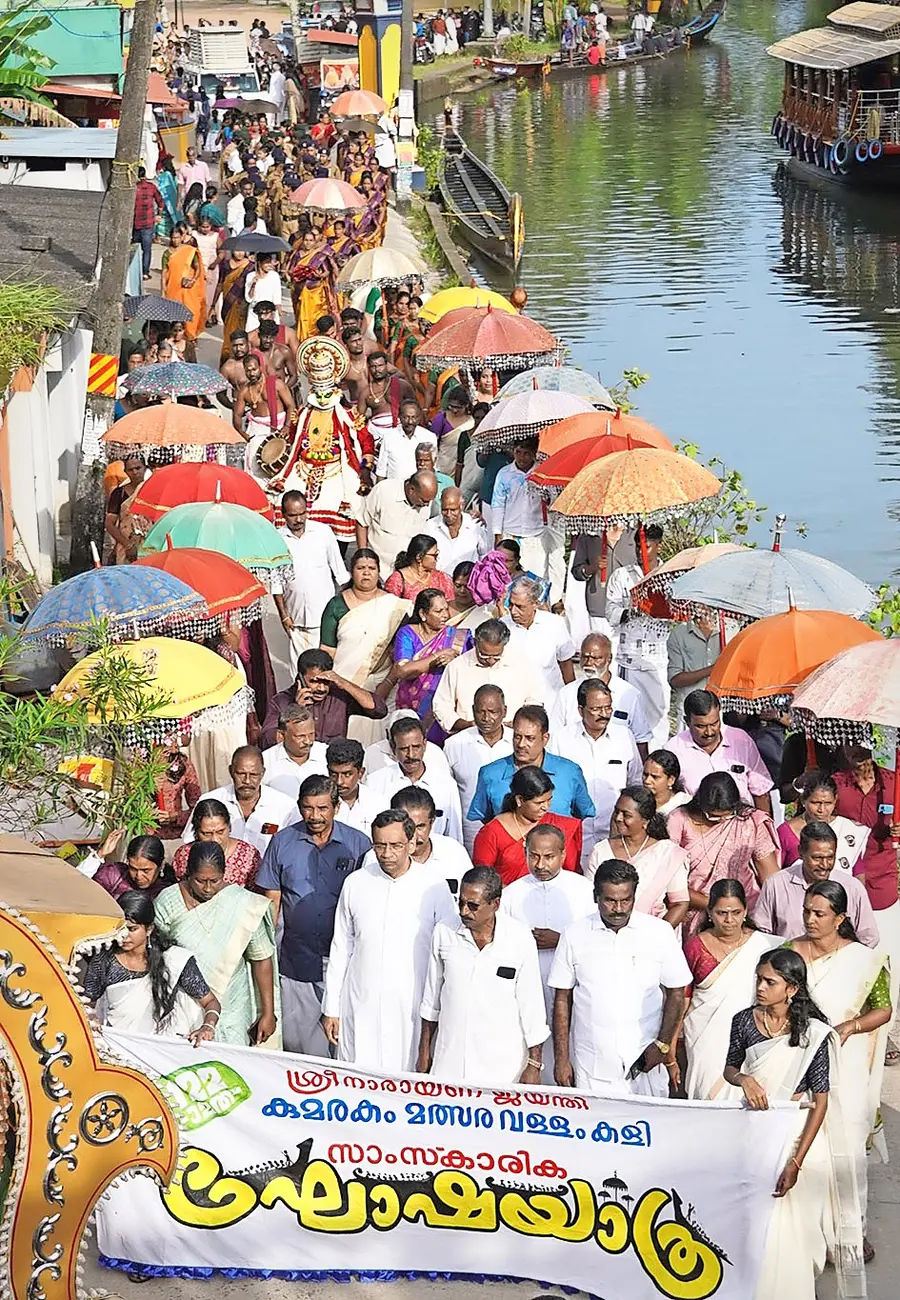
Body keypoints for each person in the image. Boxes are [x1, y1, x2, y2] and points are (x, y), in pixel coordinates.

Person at [723, 948, 863, 1300]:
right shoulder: (743, 1021)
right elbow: (729, 1066)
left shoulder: (813, 1034)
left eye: (770, 981)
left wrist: (796, 1161)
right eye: (759, 979)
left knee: (794, 1235)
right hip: (755, 1136)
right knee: (754, 1230)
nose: (760, 987)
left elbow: (820, 1101)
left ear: (792, 989)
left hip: (799, 1141)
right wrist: (744, 1080)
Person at [788, 878, 891, 1261]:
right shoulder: (789, 952)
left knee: (846, 1149)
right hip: (798, 1063)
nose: (810, 920)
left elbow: (883, 1009)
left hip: (845, 1067)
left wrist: (851, 1026)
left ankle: (849, 1234)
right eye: (806, 912)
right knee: (803, 1147)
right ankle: (804, 1237)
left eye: (819, 914)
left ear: (840, 917)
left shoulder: (863, 960)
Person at [321, 809, 457, 1071]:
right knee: (358, 1077)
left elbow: (447, 951)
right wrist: (332, 1008)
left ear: (411, 843)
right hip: (361, 1001)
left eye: (395, 846)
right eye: (380, 845)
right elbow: (341, 948)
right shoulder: (356, 883)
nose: (387, 854)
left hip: (412, 1004)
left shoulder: (435, 887)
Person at [550, 858, 691, 1096]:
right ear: (596, 897)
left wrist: (663, 1044)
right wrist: (562, 1059)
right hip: (592, 1064)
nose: (618, 908)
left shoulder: (658, 933)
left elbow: (677, 992)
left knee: (649, 1129)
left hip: (645, 1062)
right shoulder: (574, 935)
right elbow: (562, 998)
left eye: (626, 900)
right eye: (610, 901)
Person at [258, 774, 371, 1054]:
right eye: (308, 808)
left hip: (345, 963)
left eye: (322, 808)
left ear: (337, 807)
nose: (315, 816)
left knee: (346, 1047)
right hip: (297, 961)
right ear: (299, 806)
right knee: (301, 1049)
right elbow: (272, 901)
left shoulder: (358, 844)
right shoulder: (282, 842)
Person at [417, 865, 549, 1083]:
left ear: (495, 904)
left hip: (504, 1067)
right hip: (451, 1061)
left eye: (473, 905)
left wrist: (534, 1064)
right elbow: (431, 1001)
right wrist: (424, 1052)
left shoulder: (519, 938)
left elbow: (532, 1006)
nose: (463, 911)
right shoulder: (444, 931)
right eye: (460, 902)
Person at [154, 841, 278, 1045]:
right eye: (200, 881)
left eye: (215, 881)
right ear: (188, 874)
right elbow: (158, 954)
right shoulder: (168, 901)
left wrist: (268, 1012)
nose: (208, 888)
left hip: (232, 1005)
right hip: (183, 1005)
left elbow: (261, 958)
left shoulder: (242, 903)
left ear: (224, 874)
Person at [498, 824, 594, 1081]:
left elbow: (594, 941)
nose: (540, 864)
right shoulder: (511, 894)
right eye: (534, 856)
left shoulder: (582, 890)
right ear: (525, 852)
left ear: (563, 854)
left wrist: (560, 940)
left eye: (549, 857)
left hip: (571, 987)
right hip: (528, 986)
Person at [681, 879, 780, 1101]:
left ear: (745, 911)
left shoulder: (766, 945)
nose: (729, 920)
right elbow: (683, 998)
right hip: (705, 1038)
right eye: (721, 913)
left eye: (736, 912)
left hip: (752, 1038)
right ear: (709, 913)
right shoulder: (695, 947)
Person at [83, 890, 220, 1041]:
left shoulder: (174, 960)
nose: (124, 936)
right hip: (116, 1048)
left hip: (162, 1049)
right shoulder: (104, 960)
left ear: (149, 929)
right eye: (120, 929)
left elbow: (210, 1002)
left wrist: (208, 1026)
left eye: (132, 929)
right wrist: (91, 1018)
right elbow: (86, 1003)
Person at [834, 744, 900, 1030]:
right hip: (844, 882)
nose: (855, 753)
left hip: (883, 881)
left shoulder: (893, 782)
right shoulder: (837, 783)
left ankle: (886, 1030)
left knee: (888, 958)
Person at [668, 771, 779, 939]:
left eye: (727, 816)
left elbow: (771, 878)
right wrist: (714, 906)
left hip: (743, 914)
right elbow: (667, 877)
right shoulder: (680, 819)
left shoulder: (750, 822)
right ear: (700, 803)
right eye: (712, 817)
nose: (721, 821)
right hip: (692, 911)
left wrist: (737, 911)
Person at [316, 550, 409, 743]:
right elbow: (326, 652)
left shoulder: (394, 607)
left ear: (378, 572)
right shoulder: (336, 606)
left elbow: (401, 653)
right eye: (360, 568)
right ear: (352, 572)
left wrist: (387, 684)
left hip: (384, 685)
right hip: (345, 686)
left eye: (371, 568)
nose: (366, 573)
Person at [551, 678, 642, 867]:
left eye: (608, 708)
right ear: (580, 710)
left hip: (615, 836)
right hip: (574, 837)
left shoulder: (624, 736)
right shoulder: (562, 739)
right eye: (596, 709)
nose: (604, 714)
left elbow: (635, 783)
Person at [752, 820, 879, 946]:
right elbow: (762, 934)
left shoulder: (852, 887)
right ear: (801, 852)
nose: (824, 865)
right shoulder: (776, 884)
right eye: (817, 858)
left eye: (830, 858)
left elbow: (868, 938)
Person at [468, 703, 595, 827]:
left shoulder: (569, 772)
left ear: (545, 739)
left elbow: (585, 815)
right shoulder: (490, 774)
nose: (521, 744)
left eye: (530, 738)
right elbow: (480, 820)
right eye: (517, 737)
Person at [586, 786, 690, 926]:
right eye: (616, 811)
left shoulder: (667, 853)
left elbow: (680, 903)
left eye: (626, 815)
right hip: (605, 932)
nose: (618, 818)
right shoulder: (601, 850)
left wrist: (657, 937)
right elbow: (588, 899)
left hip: (651, 935)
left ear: (645, 821)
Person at [386, 587, 473, 742]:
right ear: (423, 614)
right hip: (411, 706)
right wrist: (437, 657)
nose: (445, 615)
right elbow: (402, 670)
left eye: (446, 609)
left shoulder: (458, 637)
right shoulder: (407, 633)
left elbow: (469, 667)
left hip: (443, 707)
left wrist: (453, 661)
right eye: (438, 611)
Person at [665, 689, 774, 812]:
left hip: (741, 823)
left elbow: (761, 792)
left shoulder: (741, 740)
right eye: (701, 726)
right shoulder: (674, 749)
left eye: (714, 724)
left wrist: (764, 827)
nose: (709, 732)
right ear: (687, 721)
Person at [262, 645, 389, 749]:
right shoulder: (281, 701)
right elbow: (267, 741)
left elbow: (379, 710)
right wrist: (295, 711)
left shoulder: (339, 695)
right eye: (314, 681)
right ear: (300, 678)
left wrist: (344, 683)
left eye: (325, 682)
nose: (321, 688)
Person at [473, 765, 582, 885]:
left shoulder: (561, 826)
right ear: (519, 800)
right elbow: (482, 880)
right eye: (539, 803)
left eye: (549, 800)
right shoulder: (492, 832)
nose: (545, 807)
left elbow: (571, 874)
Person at [272, 490, 349, 657]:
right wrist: (284, 616)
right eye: (293, 515)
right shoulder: (277, 539)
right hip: (296, 620)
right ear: (283, 515)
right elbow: (276, 583)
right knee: (299, 672)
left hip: (326, 617)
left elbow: (340, 574)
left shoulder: (323, 533)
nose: (299, 520)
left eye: (302, 514)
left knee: (327, 667)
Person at [432, 618, 543, 735]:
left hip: (512, 738)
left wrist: (516, 723)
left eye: (496, 656)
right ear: (475, 643)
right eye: (484, 656)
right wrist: (466, 725)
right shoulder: (457, 666)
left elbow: (535, 700)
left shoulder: (522, 664)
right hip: (468, 738)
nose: (490, 661)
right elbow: (442, 705)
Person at [182, 745, 297, 856]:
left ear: (263, 773)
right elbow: (189, 843)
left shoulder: (285, 806)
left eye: (253, 775)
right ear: (231, 771)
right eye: (241, 774)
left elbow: (293, 849)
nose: (247, 781)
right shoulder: (210, 801)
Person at [549, 632, 652, 756]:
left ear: (609, 659)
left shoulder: (629, 695)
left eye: (596, 658)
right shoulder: (566, 694)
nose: (589, 662)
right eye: (585, 657)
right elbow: (554, 737)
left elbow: (641, 740)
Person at [491, 437, 565, 604]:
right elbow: (497, 504)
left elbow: (554, 501)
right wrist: (498, 536)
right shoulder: (504, 474)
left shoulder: (543, 472)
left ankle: (536, 613)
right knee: (507, 579)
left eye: (526, 453)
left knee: (534, 579)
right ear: (513, 451)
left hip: (535, 535)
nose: (522, 457)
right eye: (518, 452)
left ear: (534, 454)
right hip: (510, 534)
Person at [365, 715, 463, 840]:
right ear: (393, 748)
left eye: (416, 747)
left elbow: (454, 835)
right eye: (404, 749)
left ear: (425, 745)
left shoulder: (446, 784)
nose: (411, 755)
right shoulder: (375, 783)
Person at [444, 683, 513, 854]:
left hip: (513, 829)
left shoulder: (518, 742)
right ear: (473, 710)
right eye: (481, 711)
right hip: (471, 831)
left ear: (504, 711)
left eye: (493, 712)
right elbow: (447, 792)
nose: (486, 717)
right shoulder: (455, 745)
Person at [388, 786, 472, 895]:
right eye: (407, 827)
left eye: (420, 827)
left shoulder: (454, 853)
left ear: (432, 822)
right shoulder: (378, 857)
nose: (413, 836)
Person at [354, 471, 438, 580]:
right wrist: (363, 556)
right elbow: (362, 522)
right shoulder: (384, 491)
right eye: (424, 500)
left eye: (429, 501)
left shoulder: (427, 502)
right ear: (412, 489)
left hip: (406, 576)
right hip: (378, 573)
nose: (426, 505)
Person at [502, 575, 575, 700]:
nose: (513, 611)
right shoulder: (502, 626)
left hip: (549, 700)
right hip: (514, 700)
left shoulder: (555, 624)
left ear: (535, 603)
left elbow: (566, 664)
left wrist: (572, 697)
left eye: (520, 607)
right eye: (511, 605)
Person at [777, 769, 868, 869]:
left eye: (828, 803)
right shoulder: (786, 832)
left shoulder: (848, 829)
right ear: (803, 800)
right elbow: (774, 872)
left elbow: (857, 871)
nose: (822, 810)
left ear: (835, 800)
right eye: (816, 803)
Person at [172, 798, 262, 889]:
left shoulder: (248, 855)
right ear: (196, 832)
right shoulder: (184, 855)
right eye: (207, 834)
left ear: (229, 827)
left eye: (220, 832)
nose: (215, 840)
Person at [667, 607, 720, 725]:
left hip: (722, 713)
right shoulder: (679, 634)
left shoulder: (728, 630)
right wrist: (711, 670)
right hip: (691, 714)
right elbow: (675, 680)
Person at [263, 705, 328, 800]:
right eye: (300, 736)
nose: (308, 741)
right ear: (281, 735)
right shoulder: (265, 762)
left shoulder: (326, 754)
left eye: (311, 734)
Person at [84, 833, 173, 902]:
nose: (138, 876)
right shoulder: (112, 876)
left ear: (160, 865)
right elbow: (81, 887)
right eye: (133, 868)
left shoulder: (167, 894)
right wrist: (99, 855)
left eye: (146, 870)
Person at [161, 225, 206, 349]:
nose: (175, 240)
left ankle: (191, 337)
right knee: (175, 315)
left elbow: (197, 267)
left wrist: (193, 280)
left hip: (188, 289)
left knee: (192, 313)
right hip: (173, 289)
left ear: (182, 237)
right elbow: (164, 273)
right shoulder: (167, 253)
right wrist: (163, 290)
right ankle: (176, 338)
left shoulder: (189, 250)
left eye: (177, 237)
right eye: (173, 238)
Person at [327, 738, 383, 837]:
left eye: (347, 774)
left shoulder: (378, 804)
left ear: (361, 773)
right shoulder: (320, 805)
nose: (339, 781)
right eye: (334, 774)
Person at [425, 486, 488, 572]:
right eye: (444, 510)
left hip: (467, 582)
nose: (448, 514)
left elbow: (484, 555)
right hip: (440, 581)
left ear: (462, 506)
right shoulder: (430, 526)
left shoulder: (475, 525)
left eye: (453, 510)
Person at [376, 399, 438, 481]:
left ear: (419, 417)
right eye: (406, 417)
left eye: (414, 417)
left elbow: (434, 468)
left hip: (420, 489)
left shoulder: (429, 437)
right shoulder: (389, 437)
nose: (410, 422)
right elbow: (381, 472)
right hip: (395, 489)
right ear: (399, 417)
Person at [104, 453, 149, 565]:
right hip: (125, 545)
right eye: (130, 469)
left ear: (145, 468)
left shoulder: (153, 491)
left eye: (138, 468)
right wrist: (128, 545)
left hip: (149, 544)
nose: (135, 472)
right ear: (125, 472)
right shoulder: (119, 493)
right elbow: (109, 524)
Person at [384, 534, 455, 602]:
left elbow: (451, 604)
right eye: (434, 555)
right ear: (419, 557)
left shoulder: (442, 578)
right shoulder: (397, 580)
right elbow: (390, 607)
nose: (436, 559)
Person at [132, 167, 163, 279]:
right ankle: (144, 272)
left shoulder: (132, 188)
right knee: (147, 250)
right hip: (148, 224)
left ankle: (134, 271)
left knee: (134, 249)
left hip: (135, 224)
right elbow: (160, 201)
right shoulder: (151, 187)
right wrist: (159, 214)